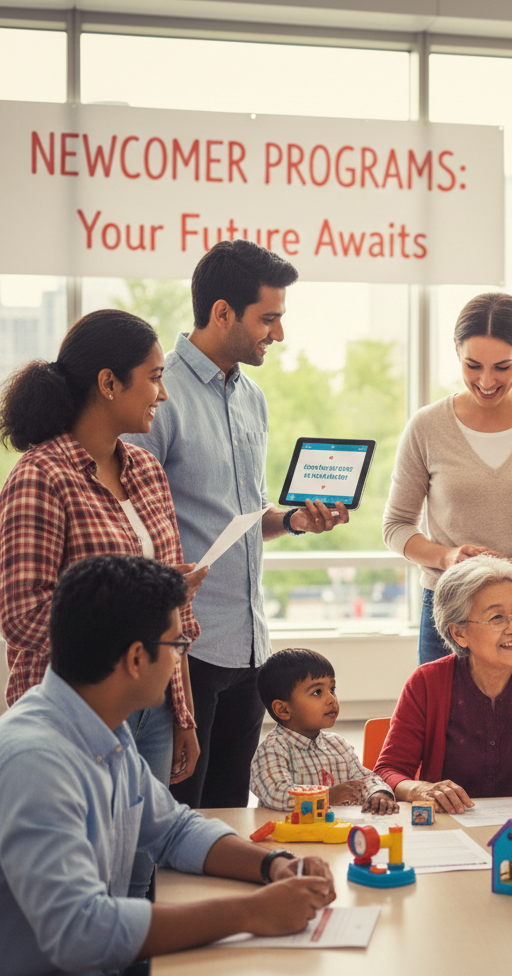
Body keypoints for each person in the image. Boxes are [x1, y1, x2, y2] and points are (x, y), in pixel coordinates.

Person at [0, 554, 336, 976]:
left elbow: (175, 830)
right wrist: (252, 913)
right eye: (178, 645)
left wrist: (273, 866)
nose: (181, 659)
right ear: (137, 658)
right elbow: (80, 933)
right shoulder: (37, 762)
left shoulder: (105, 728)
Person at [125, 239, 347, 809]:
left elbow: (246, 518)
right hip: (185, 650)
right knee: (178, 817)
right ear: (222, 312)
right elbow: (127, 522)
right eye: (268, 318)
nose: (278, 333)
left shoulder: (253, 397)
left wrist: (294, 519)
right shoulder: (157, 395)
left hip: (248, 648)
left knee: (228, 815)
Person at [0, 308, 207, 790]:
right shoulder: (40, 476)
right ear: (109, 383)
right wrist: (136, 610)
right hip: (71, 718)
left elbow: (177, 619)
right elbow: (22, 615)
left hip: (153, 711)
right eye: (155, 378)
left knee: (143, 863)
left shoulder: (147, 470)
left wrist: (184, 714)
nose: (164, 393)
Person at [382, 292, 512, 666]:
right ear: (456, 349)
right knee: (445, 724)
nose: (486, 381)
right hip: (451, 614)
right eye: (473, 365)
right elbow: (396, 527)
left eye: (502, 367)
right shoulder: (426, 427)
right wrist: (447, 557)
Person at [375, 555, 512, 816]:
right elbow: (388, 771)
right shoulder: (426, 683)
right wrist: (418, 789)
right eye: (496, 617)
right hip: (449, 829)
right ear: (459, 633)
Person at [251, 647, 398, 814]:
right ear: (283, 709)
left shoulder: (338, 745)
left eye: (332, 689)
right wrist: (326, 796)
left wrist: (378, 793)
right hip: (288, 837)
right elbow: (277, 794)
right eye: (317, 692)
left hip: (334, 834)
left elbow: (366, 779)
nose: (331, 699)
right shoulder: (273, 749)